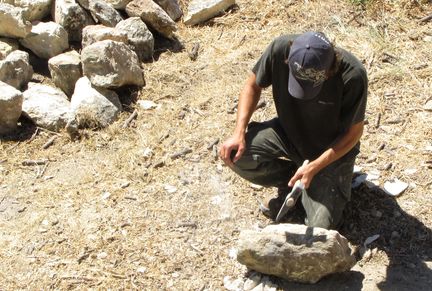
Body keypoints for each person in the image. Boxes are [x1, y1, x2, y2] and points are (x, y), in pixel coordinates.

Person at [219, 31, 368, 230]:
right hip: (288, 134)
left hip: (329, 150)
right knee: (237, 156)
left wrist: (315, 166)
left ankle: (313, 183)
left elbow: (354, 133)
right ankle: (292, 180)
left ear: (331, 68)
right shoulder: (279, 49)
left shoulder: (352, 75)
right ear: (289, 59)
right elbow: (252, 86)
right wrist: (239, 132)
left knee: (319, 227)